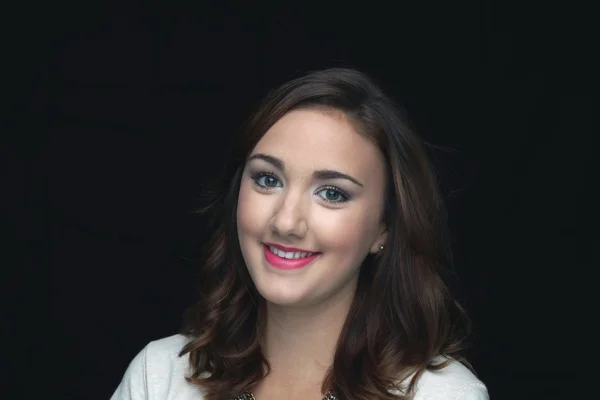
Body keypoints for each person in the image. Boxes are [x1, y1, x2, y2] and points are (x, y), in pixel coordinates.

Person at [111, 67, 489, 400]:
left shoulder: (444, 396)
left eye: (332, 193)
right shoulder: (159, 377)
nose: (286, 222)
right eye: (267, 179)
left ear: (384, 228)